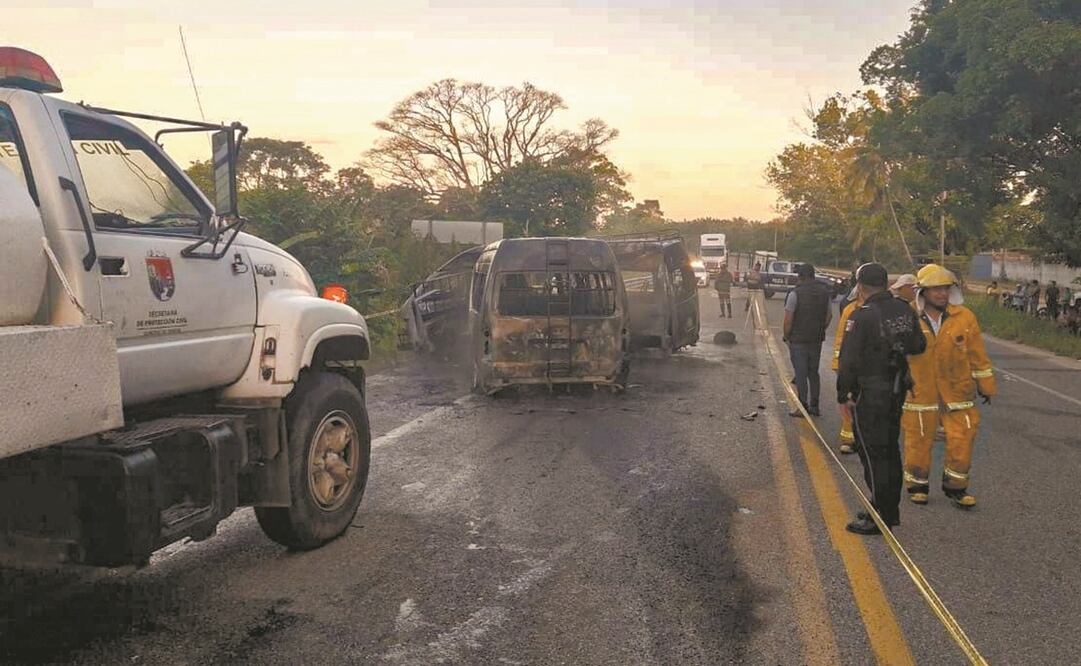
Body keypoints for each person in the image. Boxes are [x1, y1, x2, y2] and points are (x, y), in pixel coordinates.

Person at [837, 263, 926, 535]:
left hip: (870, 393)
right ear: (887, 282)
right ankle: (888, 508)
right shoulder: (904, 309)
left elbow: (848, 361)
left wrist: (844, 394)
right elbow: (918, 345)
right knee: (889, 451)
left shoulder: (861, 316)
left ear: (860, 285)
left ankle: (879, 517)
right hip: (896, 390)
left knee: (873, 455)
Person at [902, 264, 996, 509]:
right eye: (935, 289)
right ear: (923, 292)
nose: (942, 294)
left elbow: (977, 355)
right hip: (920, 391)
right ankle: (917, 486)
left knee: (963, 437)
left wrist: (986, 385)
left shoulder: (965, 317)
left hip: (957, 391)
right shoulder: (908, 316)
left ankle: (957, 488)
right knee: (919, 439)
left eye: (945, 288)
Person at [783, 264, 833, 417]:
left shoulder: (795, 293)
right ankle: (815, 405)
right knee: (813, 372)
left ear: (801, 276)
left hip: (798, 340)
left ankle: (802, 406)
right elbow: (829, 316)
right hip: (816, 339)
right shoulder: (825, 293)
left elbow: (788, 319)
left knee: (800, 373)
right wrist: (820, 329)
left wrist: (786, 336)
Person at [832, 290, 864, 454]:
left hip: (875, 370)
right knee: (849, 402)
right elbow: (841, 339)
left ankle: (865, 439)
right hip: (852, 367)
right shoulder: (850, 310)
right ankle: (849, 439)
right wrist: (838, 363)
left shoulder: (884, 310)